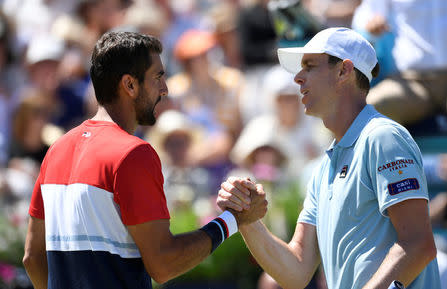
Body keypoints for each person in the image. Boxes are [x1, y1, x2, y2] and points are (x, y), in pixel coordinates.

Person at [22, 31, 267, 289]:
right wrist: (233, 220)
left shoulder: (57, 150)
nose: (165, 88)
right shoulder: (133, 153)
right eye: (158, 77)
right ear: (129, 85)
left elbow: (32, 259)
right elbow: (164, 264)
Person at [217, 27, 440, 289]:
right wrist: (247, 220)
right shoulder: (324, 168)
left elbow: (418, 245)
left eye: (310, 66)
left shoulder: (382, 137)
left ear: (344, 71)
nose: (298, 78)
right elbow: (296, 271)